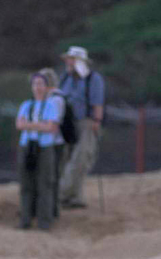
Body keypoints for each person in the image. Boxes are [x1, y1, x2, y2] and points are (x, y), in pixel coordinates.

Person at [58, 46, 105, 209]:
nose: (68, 62)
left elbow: (97, 103)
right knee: (66, 158)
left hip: (85, 122)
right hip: (66, 122)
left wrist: (97, 122)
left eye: (71, 59)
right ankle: (73, 197)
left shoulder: (93, 79)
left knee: (81, 157)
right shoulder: (65, 78)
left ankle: (64, 192)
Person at [15, 72, 60, 230]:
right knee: (26, 183)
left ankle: (44, 221)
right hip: (27, 145)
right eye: (35, 84)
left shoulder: (50, 105)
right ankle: (25, 219)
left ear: (46, 87)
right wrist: (39, 125)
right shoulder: (26, 105)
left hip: (44, 147)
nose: (38, 87)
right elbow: (19, 125)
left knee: (45, 184)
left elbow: (51, 127)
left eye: (41, 84)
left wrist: (30, 125)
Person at [38, 67, 66, 219]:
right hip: (47, 142)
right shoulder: (49, 98)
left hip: (54, 144)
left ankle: (52, 209)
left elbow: (52, 124)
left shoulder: (56, 99)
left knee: (52, 177)